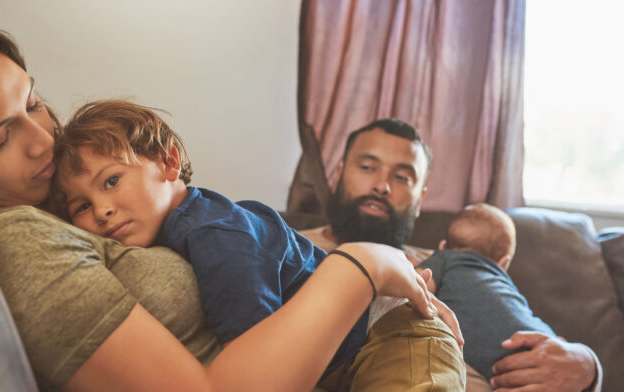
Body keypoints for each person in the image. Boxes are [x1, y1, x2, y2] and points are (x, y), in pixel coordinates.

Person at [0, 11, 455, 392]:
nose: (43, 138)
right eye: (0, 138)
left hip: (351, 330)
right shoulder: (16, 243)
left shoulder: (55, 200)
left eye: (33, 102)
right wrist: (365, 265)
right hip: (352, 310)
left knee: (461, 277)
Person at [48, 99, 465, 390]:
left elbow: (260, 353)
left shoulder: (213, 233)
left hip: (394, 334)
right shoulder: (186, 225)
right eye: (82, 205)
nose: (101, 210)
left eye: (111, 180)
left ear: (168, 162)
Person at [300, 118, 602, 392]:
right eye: (367, 168)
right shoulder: (289, 250)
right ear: (338, 175)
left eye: (403, 177)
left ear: (421, 199)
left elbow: (517, 319)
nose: (382, 186)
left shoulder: (451, 261)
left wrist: (588, 366)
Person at [418, 203, 556, 382]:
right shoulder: (503, 284)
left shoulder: (444, 258)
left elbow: (417, 284)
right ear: (504, 264)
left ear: (442, 247)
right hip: (541, 344)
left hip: (498, 365)